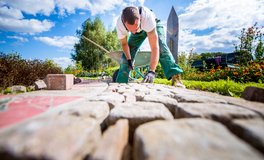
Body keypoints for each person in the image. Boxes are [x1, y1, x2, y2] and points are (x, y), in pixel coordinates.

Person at [115, 6, 185, 87]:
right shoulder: (120, 25)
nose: (133, 32)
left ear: (140, 18)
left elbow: (155, 47)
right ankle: (120, 83)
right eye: (130, 30)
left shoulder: (147, 18)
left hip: (152, 26)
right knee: (125, 58)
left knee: (161, 47)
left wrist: (151, 71)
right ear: (124, 23)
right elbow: (124, 44)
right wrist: (129, 60)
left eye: (136, 27)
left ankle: (176, 78)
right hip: (139, 29)